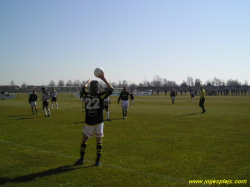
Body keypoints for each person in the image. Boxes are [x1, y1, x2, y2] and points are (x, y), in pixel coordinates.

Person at [74, 74, 113, 167]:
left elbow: (83, 88)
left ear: (90, 88)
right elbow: (111, 89)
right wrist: (103, 78)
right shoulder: (100, 96)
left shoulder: (85, 94)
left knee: (84, 140)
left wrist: (87, 82)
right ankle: (97, 161)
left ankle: (81, 159)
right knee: (99, 141)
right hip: (99, 122)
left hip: (89, 122)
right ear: (97, 88)